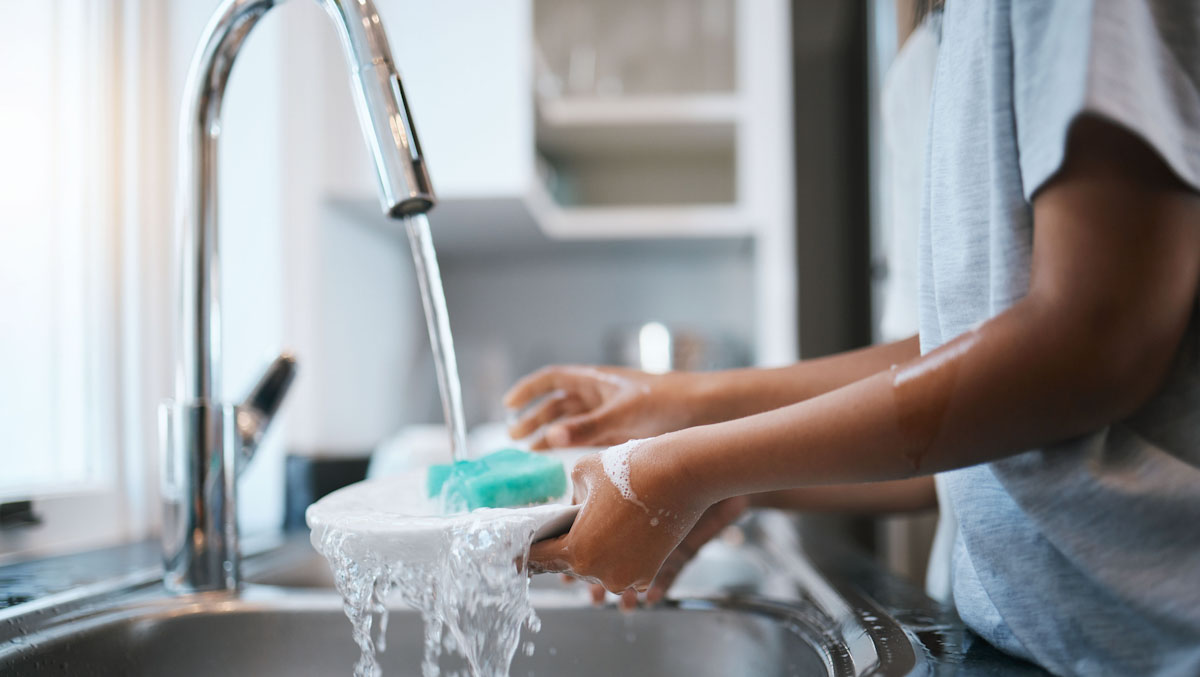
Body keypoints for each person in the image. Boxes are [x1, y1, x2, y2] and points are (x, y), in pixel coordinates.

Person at [511, 1, 1200, 674]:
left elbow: (1091, 344)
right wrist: (711, 449)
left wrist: (688, 464)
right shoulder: (939, 39)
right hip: (1046, 637)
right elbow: (966, 381)